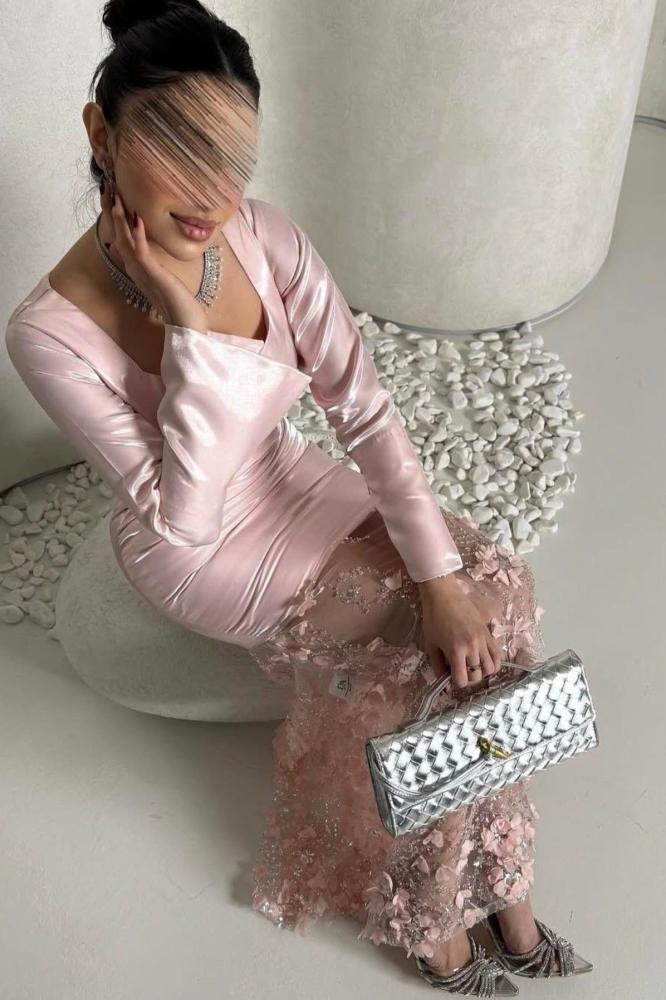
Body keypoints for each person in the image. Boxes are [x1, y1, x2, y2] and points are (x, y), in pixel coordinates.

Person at [5, 1, 593, 993]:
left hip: (292, 479)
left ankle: (503, 890)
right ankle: (441, 921)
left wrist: (439, 575)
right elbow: (183, 513)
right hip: (199, 547)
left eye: (232, 155)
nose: (213, 191)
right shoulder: (47, 333)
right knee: (424, 656)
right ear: (101, 133)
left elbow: (360, 408)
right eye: (180, 147)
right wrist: (192, 332)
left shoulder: (265, 237)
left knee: (484, 589)